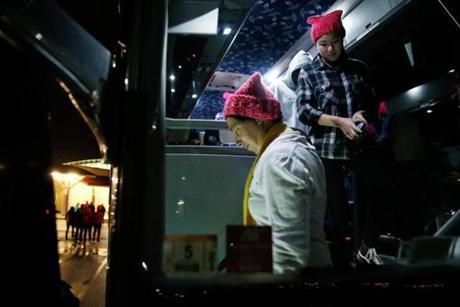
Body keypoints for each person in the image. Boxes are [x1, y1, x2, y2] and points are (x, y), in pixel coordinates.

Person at [296, 10, 386, 266]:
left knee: (370, 196)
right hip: (328, 147)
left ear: (343, 38)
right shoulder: (309, 73)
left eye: (334, 41)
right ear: (316, 45)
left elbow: (374, 104)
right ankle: (341, 259)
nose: (330, 49)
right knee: (335, 205)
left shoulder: (359, 68)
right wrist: (337, 121)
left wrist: (363, 114)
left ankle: (365, 248)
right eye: (323, 44)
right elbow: (304, 111)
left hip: (359, 143)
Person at [223, 72, 331, 274]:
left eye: (236, 129)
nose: (236, 140)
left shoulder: (281, 160)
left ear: (258, 119)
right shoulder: (288, 151)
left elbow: (288, 250)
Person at [268, 50, 313, 134]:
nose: (300, 77)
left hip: (308, 141)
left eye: (305, 73)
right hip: (285, 140)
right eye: (298, 72)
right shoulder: (276, 88)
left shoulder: (311, 91)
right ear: (291, 70)